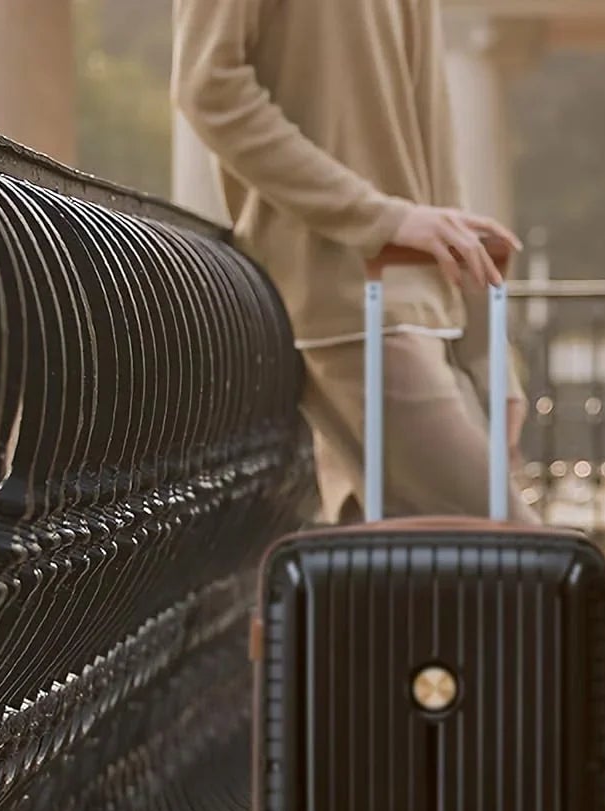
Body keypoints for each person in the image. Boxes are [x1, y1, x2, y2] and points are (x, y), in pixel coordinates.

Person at [173, 0, 526, 523]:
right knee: (535, 568)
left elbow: (430, 139)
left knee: (405, 586)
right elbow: (209, 86)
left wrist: (485, 348)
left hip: (415, 313)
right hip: (348, 311)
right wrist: (379, 218)